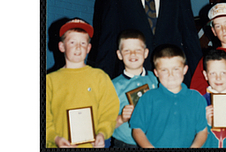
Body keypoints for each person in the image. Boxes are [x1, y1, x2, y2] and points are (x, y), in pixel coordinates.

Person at [46, 18, 119, 148]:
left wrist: (102, 133)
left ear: (89, 48)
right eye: (72, 42)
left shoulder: (100, 77)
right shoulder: (50, 81)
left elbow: (109, 111)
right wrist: (55, 138)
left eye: (83, 43)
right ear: (62, 46)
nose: (78, 47)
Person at [130, 44, 208, 148]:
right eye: (164, 70)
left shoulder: (196, 98)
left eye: (176, 69)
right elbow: (137, 130)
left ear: (185, 70)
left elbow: (202, 131)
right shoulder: (148, 98)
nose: (170, 75)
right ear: (156, 73)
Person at [111, 29, 158, 148]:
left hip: (154, 142)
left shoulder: (156, 79)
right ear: (119, 55)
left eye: (138, 50)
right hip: (125, 144)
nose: (133, 54)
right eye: (127, 51)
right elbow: (103, 123)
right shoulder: (112, 86)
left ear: (146, 53)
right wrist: (121, 118)